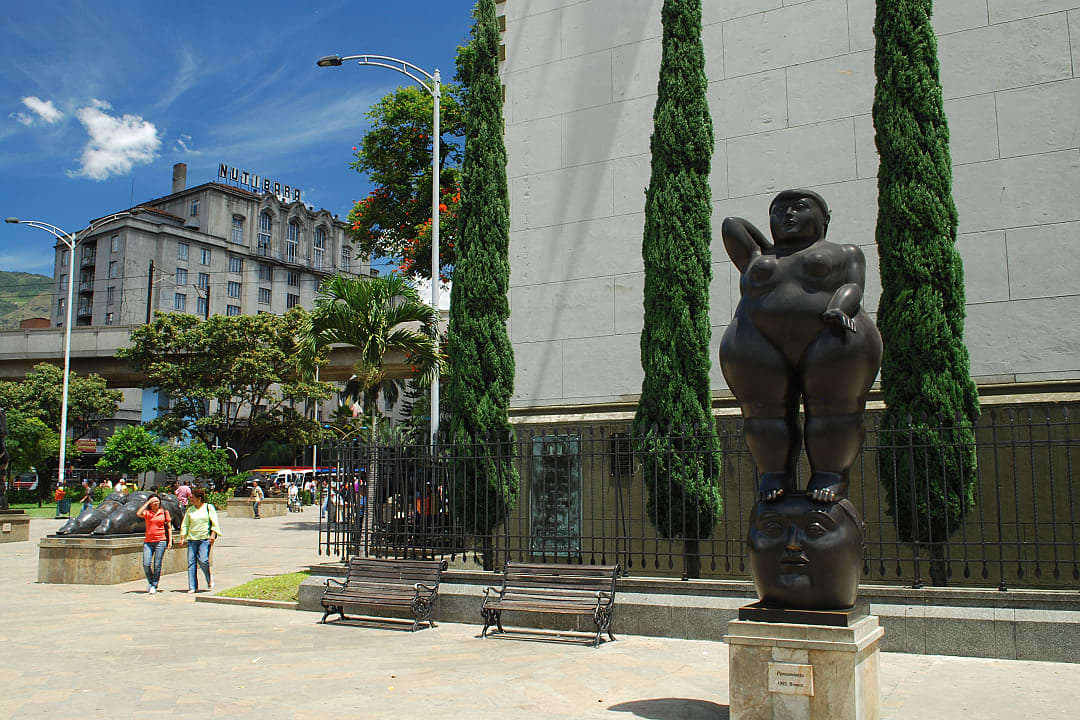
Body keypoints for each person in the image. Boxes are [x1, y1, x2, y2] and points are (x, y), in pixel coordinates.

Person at [718, 189, 882, 504]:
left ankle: (831, 472)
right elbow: (731, 225)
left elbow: (853, 286)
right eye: (779, 211)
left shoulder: (845, 251)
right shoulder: (759, 258)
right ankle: (773, 472)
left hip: (830, 334)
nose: (788, 215)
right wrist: (773, 250)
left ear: (824, 219)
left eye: (799, 207)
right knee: (763, 415)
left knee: (834, 410)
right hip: (757, 340)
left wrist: (840, 307)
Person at [179, 487, 220, 593]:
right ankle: (192, 586)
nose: (191, 500)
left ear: (199, 498)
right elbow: (185, 524)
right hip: (192, 539)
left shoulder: (208, 507)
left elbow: (214, 521)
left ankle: (208, 578)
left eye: (193, 498)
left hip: (204, 539)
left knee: (203, 560)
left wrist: (213, 534)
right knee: (191, 563)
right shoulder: (190, 510)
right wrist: (183, 536)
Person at [136, 494, 172, 594]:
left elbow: (169, 527)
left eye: (157, 501)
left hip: (161, 540)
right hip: (148, 541)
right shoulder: (147, 513)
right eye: (154, 501)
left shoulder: (164, 512)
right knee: (146, 564)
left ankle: (154, 584)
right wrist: (147, 502)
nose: (156, 503)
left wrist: (170, 540)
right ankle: (151, 581)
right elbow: (138, 513)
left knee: (157, 564)